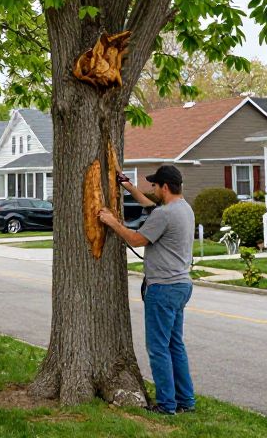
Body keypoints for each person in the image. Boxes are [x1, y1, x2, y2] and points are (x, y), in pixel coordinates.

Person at [98, 164, 195, 416]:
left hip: (163, 287)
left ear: (165, 187)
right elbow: (150, 206)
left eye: (154, 186)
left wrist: (111, 221)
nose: (152, 190)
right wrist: (127, 186)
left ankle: (166, 405)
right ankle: (186, 401)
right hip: (181, 285)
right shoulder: (184, 209)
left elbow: (136, 239)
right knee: (175, 345)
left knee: (158, 348)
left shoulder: (164, 215)